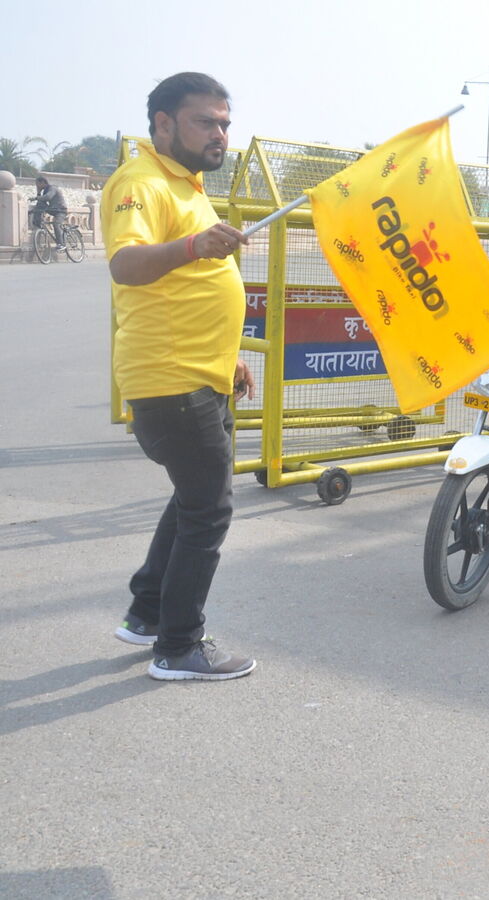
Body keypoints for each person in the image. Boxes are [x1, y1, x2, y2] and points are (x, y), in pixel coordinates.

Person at [104, 72, 257, 681]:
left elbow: (192, 292)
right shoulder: (140, 183)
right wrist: (195, 246)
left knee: (192, 497)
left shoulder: (186, 183)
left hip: (201, 374)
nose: (220, 133)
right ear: (164, 124)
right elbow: (127, 264)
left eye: (224, 122)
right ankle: (179, 646)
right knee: (208, 510)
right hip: (172, 383)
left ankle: (145, 611)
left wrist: (230, 356)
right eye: (205, 122)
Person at [33, 175, 69, 247]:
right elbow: (41, 201)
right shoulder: (45, 190)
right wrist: (38, 193)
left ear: (43, 182)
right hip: (53, 209)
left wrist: (36, 198)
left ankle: (61, 244)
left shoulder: (52, 188)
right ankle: (37, 222)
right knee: (40, 205)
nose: (37, 186)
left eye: (38, 184)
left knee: (56, 224)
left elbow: (48, 197)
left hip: (61, 210)